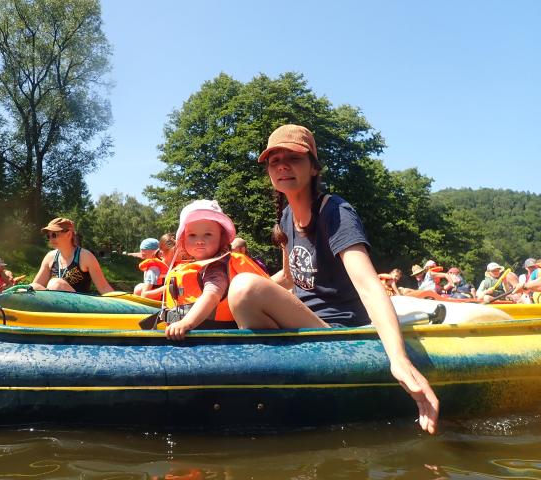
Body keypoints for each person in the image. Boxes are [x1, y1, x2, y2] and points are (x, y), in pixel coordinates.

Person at [225, 124, 438, 434]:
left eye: (293, 158)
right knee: (240, 288)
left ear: (313, 167)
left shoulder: (336, 212)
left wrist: (399, 359)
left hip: (336, 332)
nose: (282, 166)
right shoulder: (286, 217)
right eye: (275, 161)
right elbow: (288, 277)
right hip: (303, 324)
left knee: (244, 286)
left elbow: (368, 285)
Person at [163, 200, 269, 341]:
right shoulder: (190, 267)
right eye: (192, 235)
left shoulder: (217, 266)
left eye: (208, 234)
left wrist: (186, 323)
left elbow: (211, 296)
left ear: (221, 238)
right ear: (183, 239)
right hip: (192, 335)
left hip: (216, 337)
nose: (199, 240)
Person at [31, 217, 113, 294]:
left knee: (56, 284)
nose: (51, 239)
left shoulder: (86, 256)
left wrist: (119, 300)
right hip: (56, 301)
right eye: (48, 236)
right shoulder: (50, 257)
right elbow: (35, 286)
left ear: (69, 234)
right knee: (34, 287)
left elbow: (104, 288)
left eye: (54, 235)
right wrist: (23, 289)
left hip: (80, 303)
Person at [137, 233, 179, 299]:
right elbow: (144, 295)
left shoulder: (178, 267)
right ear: (161, 253)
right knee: (138, 288)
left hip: (171, 302)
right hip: (156, 303)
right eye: (175, 251)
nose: (180, 253)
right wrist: (167, 287)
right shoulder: (154, 269)